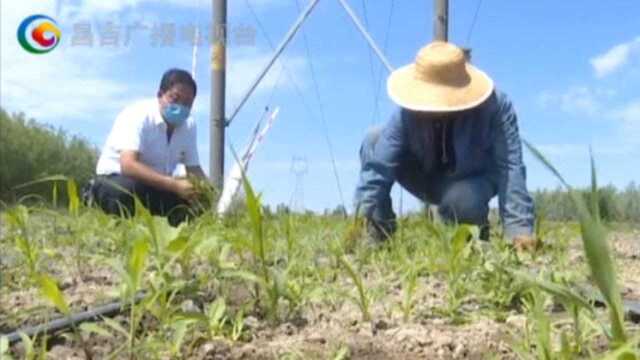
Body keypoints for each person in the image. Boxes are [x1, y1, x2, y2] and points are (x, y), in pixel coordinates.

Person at [354, 41, 536, 251]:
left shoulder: (496, 107)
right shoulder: (407, 113)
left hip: (472, 182)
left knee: (465, 198)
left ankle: (470, 238)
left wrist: (519, 231)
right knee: (374, 139)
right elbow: (378, 168)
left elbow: (510, 167)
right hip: (425, 176)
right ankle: (379, 234)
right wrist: (360, 220)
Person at [91, 68, 207, 225]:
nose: (181, 107)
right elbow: (128, 165)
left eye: (187, 103)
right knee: (124, 192)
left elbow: (194, 169)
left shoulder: (188, 125)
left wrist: (208, 192)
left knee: (193, 204)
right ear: (160, 95)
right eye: (175, 99)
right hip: (118, 179)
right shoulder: (137, 115)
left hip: (158, 185)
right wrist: (173, 184)